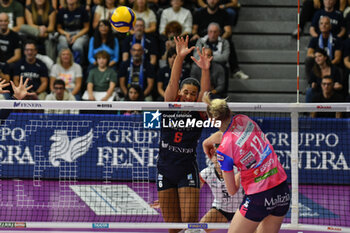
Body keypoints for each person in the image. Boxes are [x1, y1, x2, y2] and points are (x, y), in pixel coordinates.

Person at [202, 94, 290, 233]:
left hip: (259, 196)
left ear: (212, 122)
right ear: (229, 112)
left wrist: (241, 174)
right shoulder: (244, 119)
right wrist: (207, 141)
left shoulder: (224, 150)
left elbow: (232, 190)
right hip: (282, 191)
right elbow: (229, 132)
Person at [157, 35, 212, 233]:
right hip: (165, 170)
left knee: (190, 225)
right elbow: (172, 81)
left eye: (192, 94)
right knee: (173, 229)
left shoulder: (198, 111)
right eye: (186, 92)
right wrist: (179, 57)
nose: (189, 96)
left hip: (187, 169)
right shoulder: (170, 104)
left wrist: (205, 69)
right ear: (180, 93)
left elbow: (206, 94)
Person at [199, 145, 243, 233]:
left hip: (241, 210)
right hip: (221, 210)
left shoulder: (238, 171)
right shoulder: (206, 173)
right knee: (196, 230)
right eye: (216, 155)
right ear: (212, 158)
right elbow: (194, 190)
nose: (218, 159)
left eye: (221, 156)